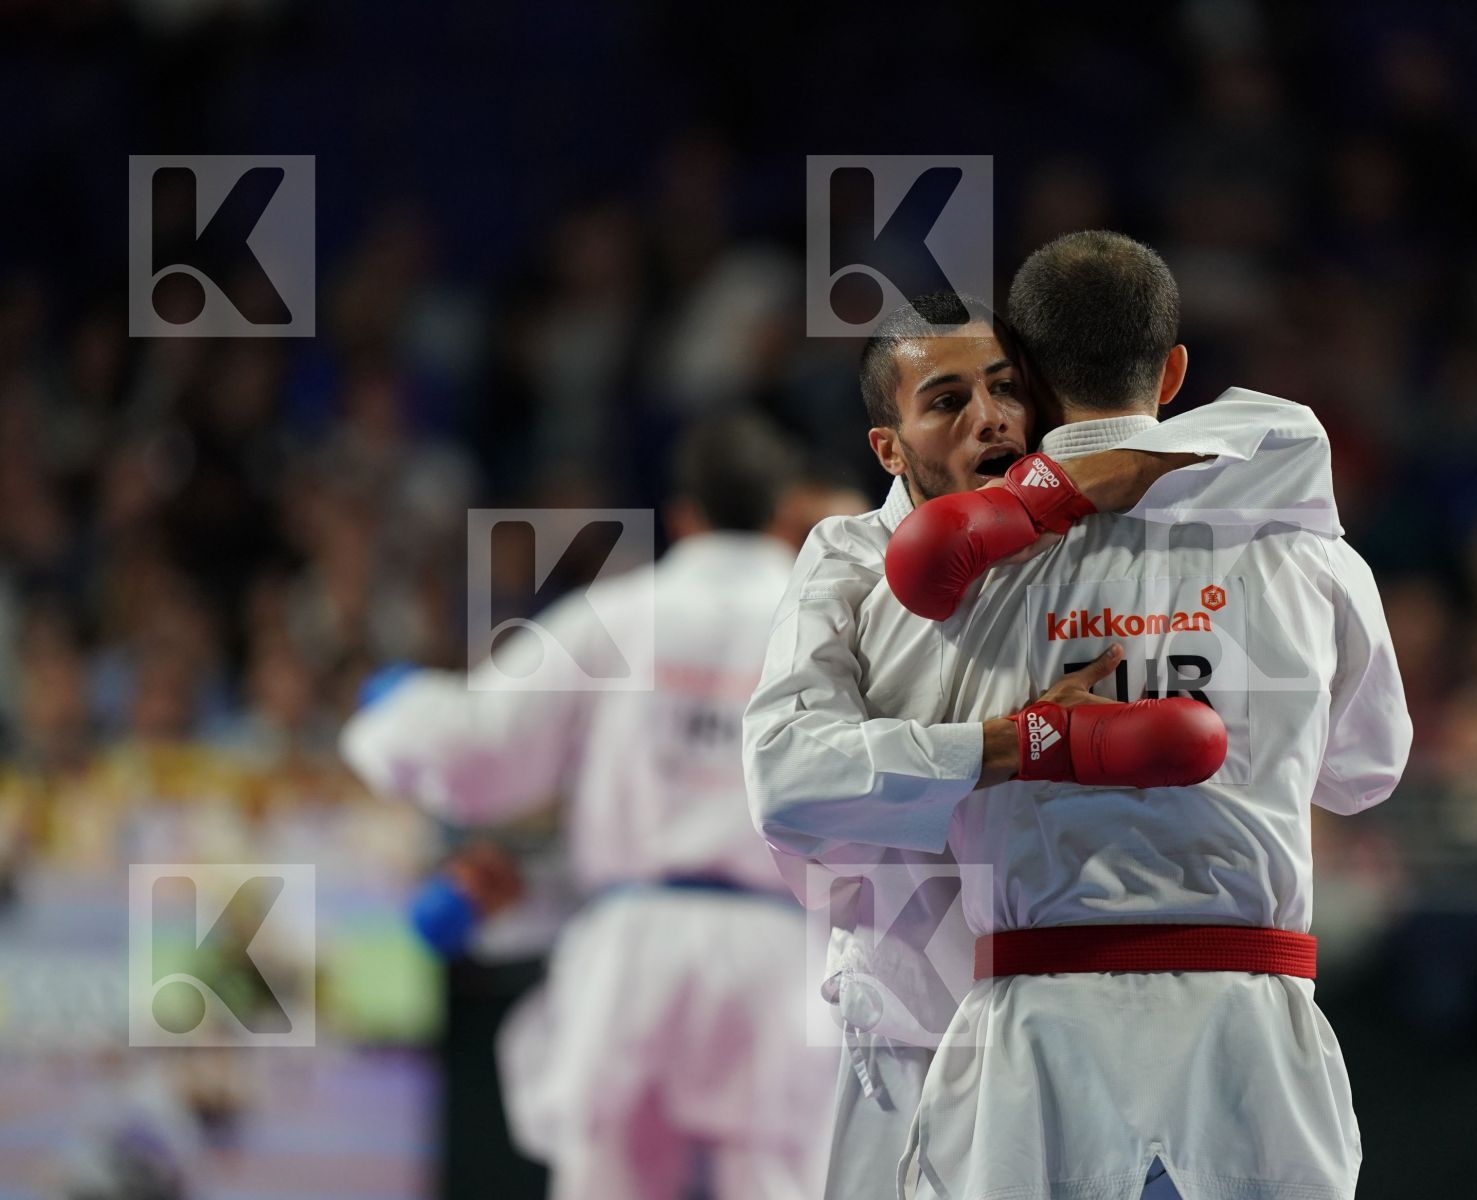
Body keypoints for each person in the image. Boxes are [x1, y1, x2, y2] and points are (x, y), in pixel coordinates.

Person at [756, 231, 1412, 1200]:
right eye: (948, 401)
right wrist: (1026, 740)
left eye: (1000, 389)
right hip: (1190, 1027)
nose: (986, 419)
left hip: (1029, 1031)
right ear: (1175, 369)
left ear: (1035, 383)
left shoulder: (962, 586)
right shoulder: (1304, 547)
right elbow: (1367, 769)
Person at [342, 414, 853, 1200]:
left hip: (633, 952)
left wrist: (395, 714)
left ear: (684, 514)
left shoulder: (623, 613)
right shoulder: (833, 625)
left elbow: (481, 742)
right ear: (781, 506)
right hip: (783, 954)